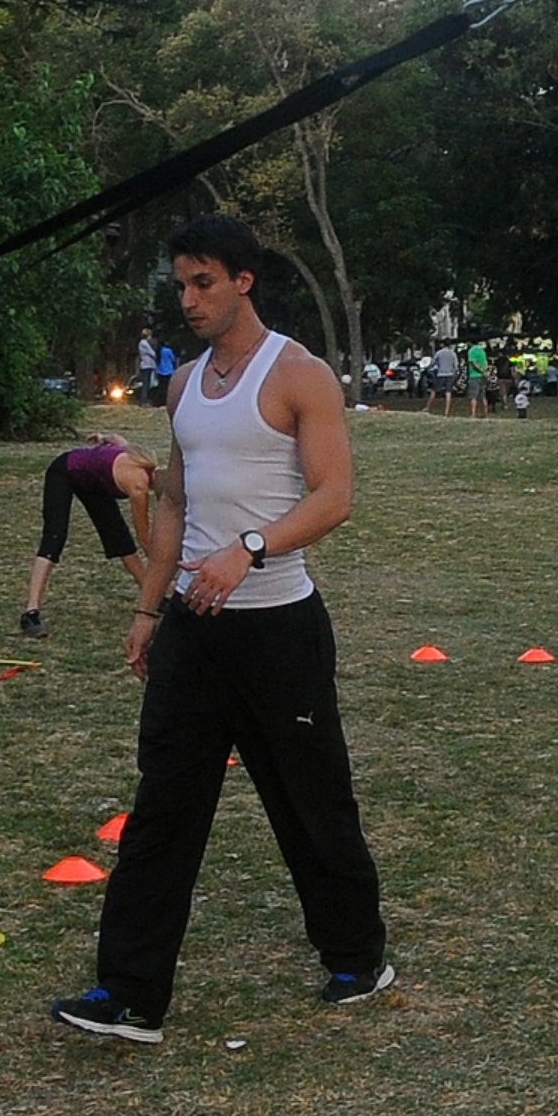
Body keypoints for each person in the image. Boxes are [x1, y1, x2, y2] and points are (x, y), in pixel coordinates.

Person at [50, 213, 391, 1042]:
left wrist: (250, 548)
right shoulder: (183, 386)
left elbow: (334, 496)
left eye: (203, 282)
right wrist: (148, 607)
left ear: (244, 280)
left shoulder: (298, 374)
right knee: (163, 807)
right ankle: (130, 992)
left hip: (279, 629)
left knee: (310, 801)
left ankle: (357, 956)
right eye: (181, 286)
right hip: (193, 632)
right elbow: (173, 500)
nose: (190, 299)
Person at [20, 432, 158, 639]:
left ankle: (153, 597)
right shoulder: (139, 487)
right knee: (54, 538)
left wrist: (103, 438)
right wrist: (162, 576)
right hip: (64, 471)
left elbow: (117, 439)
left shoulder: (141, 459)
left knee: (120, 539)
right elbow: (144, 537)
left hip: (94, 484)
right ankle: (31, 613)